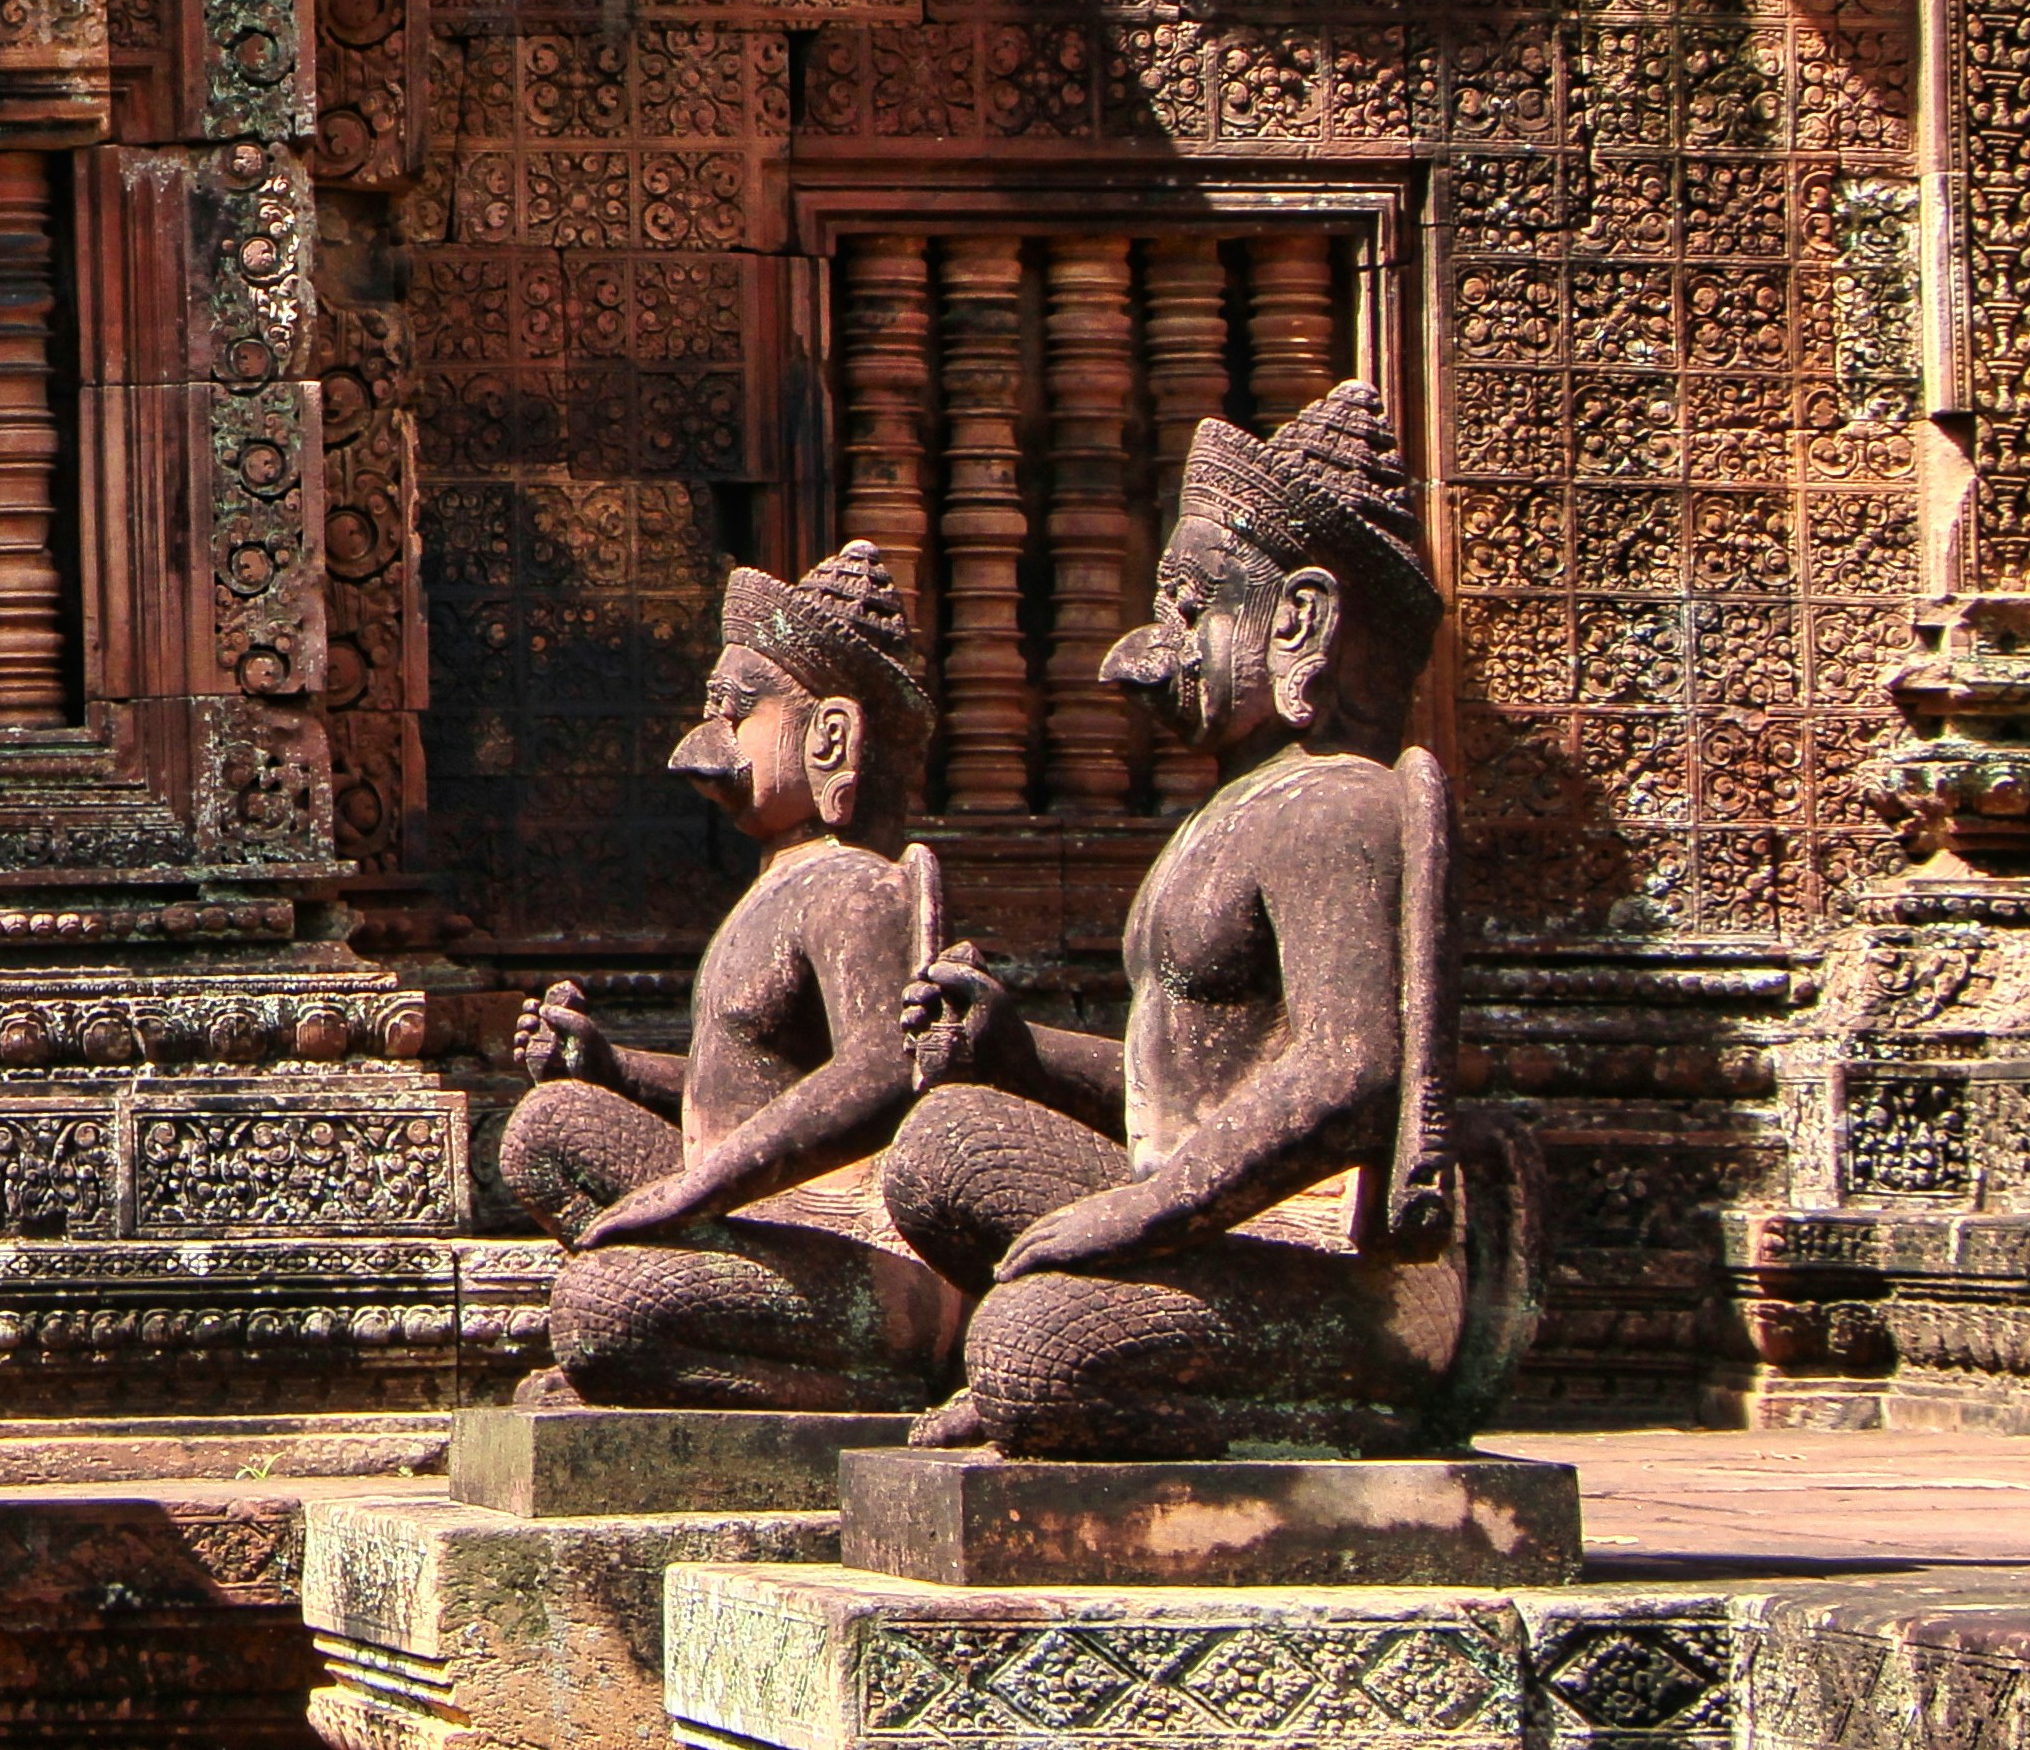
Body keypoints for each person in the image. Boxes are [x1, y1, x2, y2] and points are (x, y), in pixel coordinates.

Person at [881, 383, 1513, 1456]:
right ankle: (1075, 1353)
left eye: (1188, 609)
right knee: (943, 1145)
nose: (1136, 655)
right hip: (1214, 1231)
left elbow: (1354, 1068)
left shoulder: (1339, 804)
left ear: (1299, 620)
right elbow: (1193, 1076)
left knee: (1030, 1343)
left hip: (1338, 1277)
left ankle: (1345, 1409)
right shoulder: (1235, 812)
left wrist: (1138, 1212)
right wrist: (1020, 1052)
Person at [496, 542, 1001, 1408]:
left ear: (831, 736)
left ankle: (864, 1384)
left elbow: (886, 1067)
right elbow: (764, 1084)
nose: (706, 743)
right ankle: (661, 1340)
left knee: (598, 1305)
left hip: (851, 1250)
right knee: (547, 1129)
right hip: (762, 1221)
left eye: (736, 712)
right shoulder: (779, 887)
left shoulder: (856, 885)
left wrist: (693, 1191)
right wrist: (613, 1068)